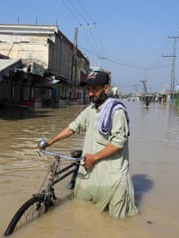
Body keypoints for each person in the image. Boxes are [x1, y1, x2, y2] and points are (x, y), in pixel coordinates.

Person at [43, 71, 138, 218]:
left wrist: (94, 157)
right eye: (88, 89)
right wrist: (50, 142)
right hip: (93, 169)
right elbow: (72, 127)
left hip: (112, 174)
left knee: (117, 222)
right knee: (82, 211)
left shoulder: (116, 112)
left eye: (94, 90)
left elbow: (118, 144)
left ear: (106, 89)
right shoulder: (91, 110)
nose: (90, 94)